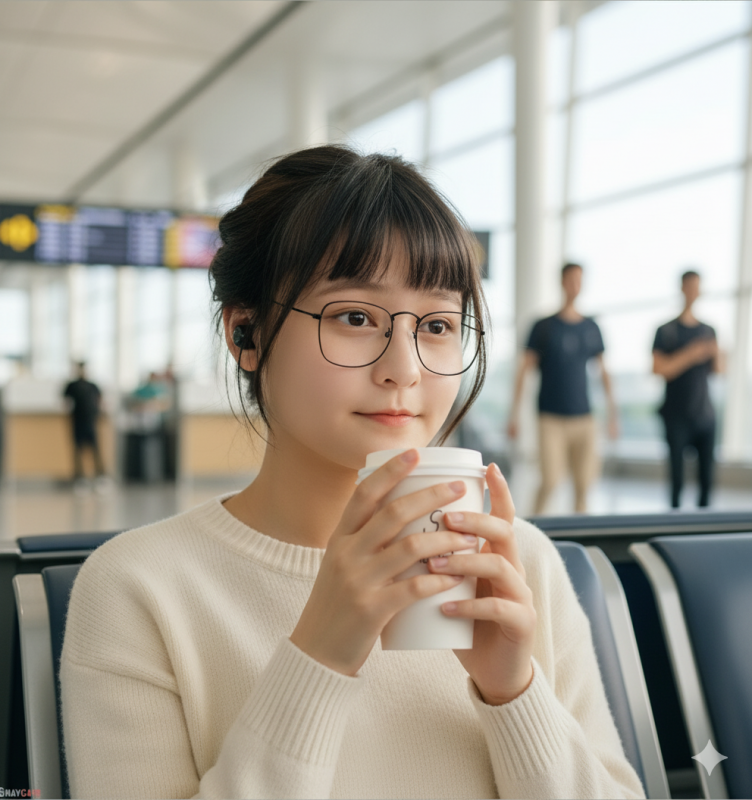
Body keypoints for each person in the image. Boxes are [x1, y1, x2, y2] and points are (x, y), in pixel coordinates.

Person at [60, 147, 644, 799]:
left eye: (437, 324)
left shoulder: (517, 563)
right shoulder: (139, 588)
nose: (406, 367)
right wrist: (318, 657)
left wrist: (514, 692)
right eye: (356, 317)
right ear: (246, 334)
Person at [507, 263, 618, 514]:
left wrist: (613, 414)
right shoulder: (543, 326)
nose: (574, 285)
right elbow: (523, 372)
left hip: (584, 418)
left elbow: (604, 373)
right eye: (570, 280)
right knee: (550, 481)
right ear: (561, 282)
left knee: (583, 486)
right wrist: (514, 416)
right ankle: (532, 530)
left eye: (579, 280)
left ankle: (580, 538)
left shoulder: (591, 327)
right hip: (550, 418)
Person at [652, 270, 722, 508]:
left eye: (697, 287)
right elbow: (659, 369)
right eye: (689, 286)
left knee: (707, 480)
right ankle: (673, 521)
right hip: (676, 415)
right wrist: (690, 354)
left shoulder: (709, 330)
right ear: (682, 288)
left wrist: (718, 354)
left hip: (705, 414)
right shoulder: (666, 331)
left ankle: (702, 528)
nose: (693, 291)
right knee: (677, 480)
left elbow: (719, 371)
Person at [62, 361, 106, 485]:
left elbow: (100, 401)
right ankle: (79, 477)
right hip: (77, 421)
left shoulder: (93, 386)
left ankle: (100, 476)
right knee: (77, 450)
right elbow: (66, 402)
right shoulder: (71, 385)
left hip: (91, 421)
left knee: (95, 449)